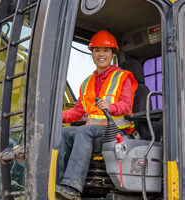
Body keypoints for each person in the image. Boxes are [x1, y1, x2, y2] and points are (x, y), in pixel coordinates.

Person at [55, 30, 138, 200]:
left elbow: (126, 105)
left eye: (105, 50)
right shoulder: (87, 83)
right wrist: (55, 117)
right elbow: (77, 111)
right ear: (92, 54)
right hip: (94, 134)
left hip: (116, 133)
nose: (101, 54)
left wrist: (111, 106)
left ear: (112, 54)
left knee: (84, 131)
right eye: (97, 50)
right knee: (62, 133)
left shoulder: (123, 78)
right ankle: (58, 184)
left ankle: (72, 187)